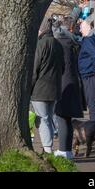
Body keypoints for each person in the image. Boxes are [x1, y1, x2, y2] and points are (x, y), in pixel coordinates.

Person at [31, 17, 65, 154]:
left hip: (40, 89)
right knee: (49, 118)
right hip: (55, 88)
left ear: (42, 29)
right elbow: (63, 68)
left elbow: (34, 70)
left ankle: (47, 149)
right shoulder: (58, 44)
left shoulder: (41, 44)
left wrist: (29, 87)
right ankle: (48, 146)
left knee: (43, 119)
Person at [52, 17, 84, 160]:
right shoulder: (75, 43)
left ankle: (64, 151)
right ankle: (67, 151)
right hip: (74, 82)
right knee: (67, 118)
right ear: (71, 28)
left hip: (63, 83)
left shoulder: (59, 43)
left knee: (61, 117)